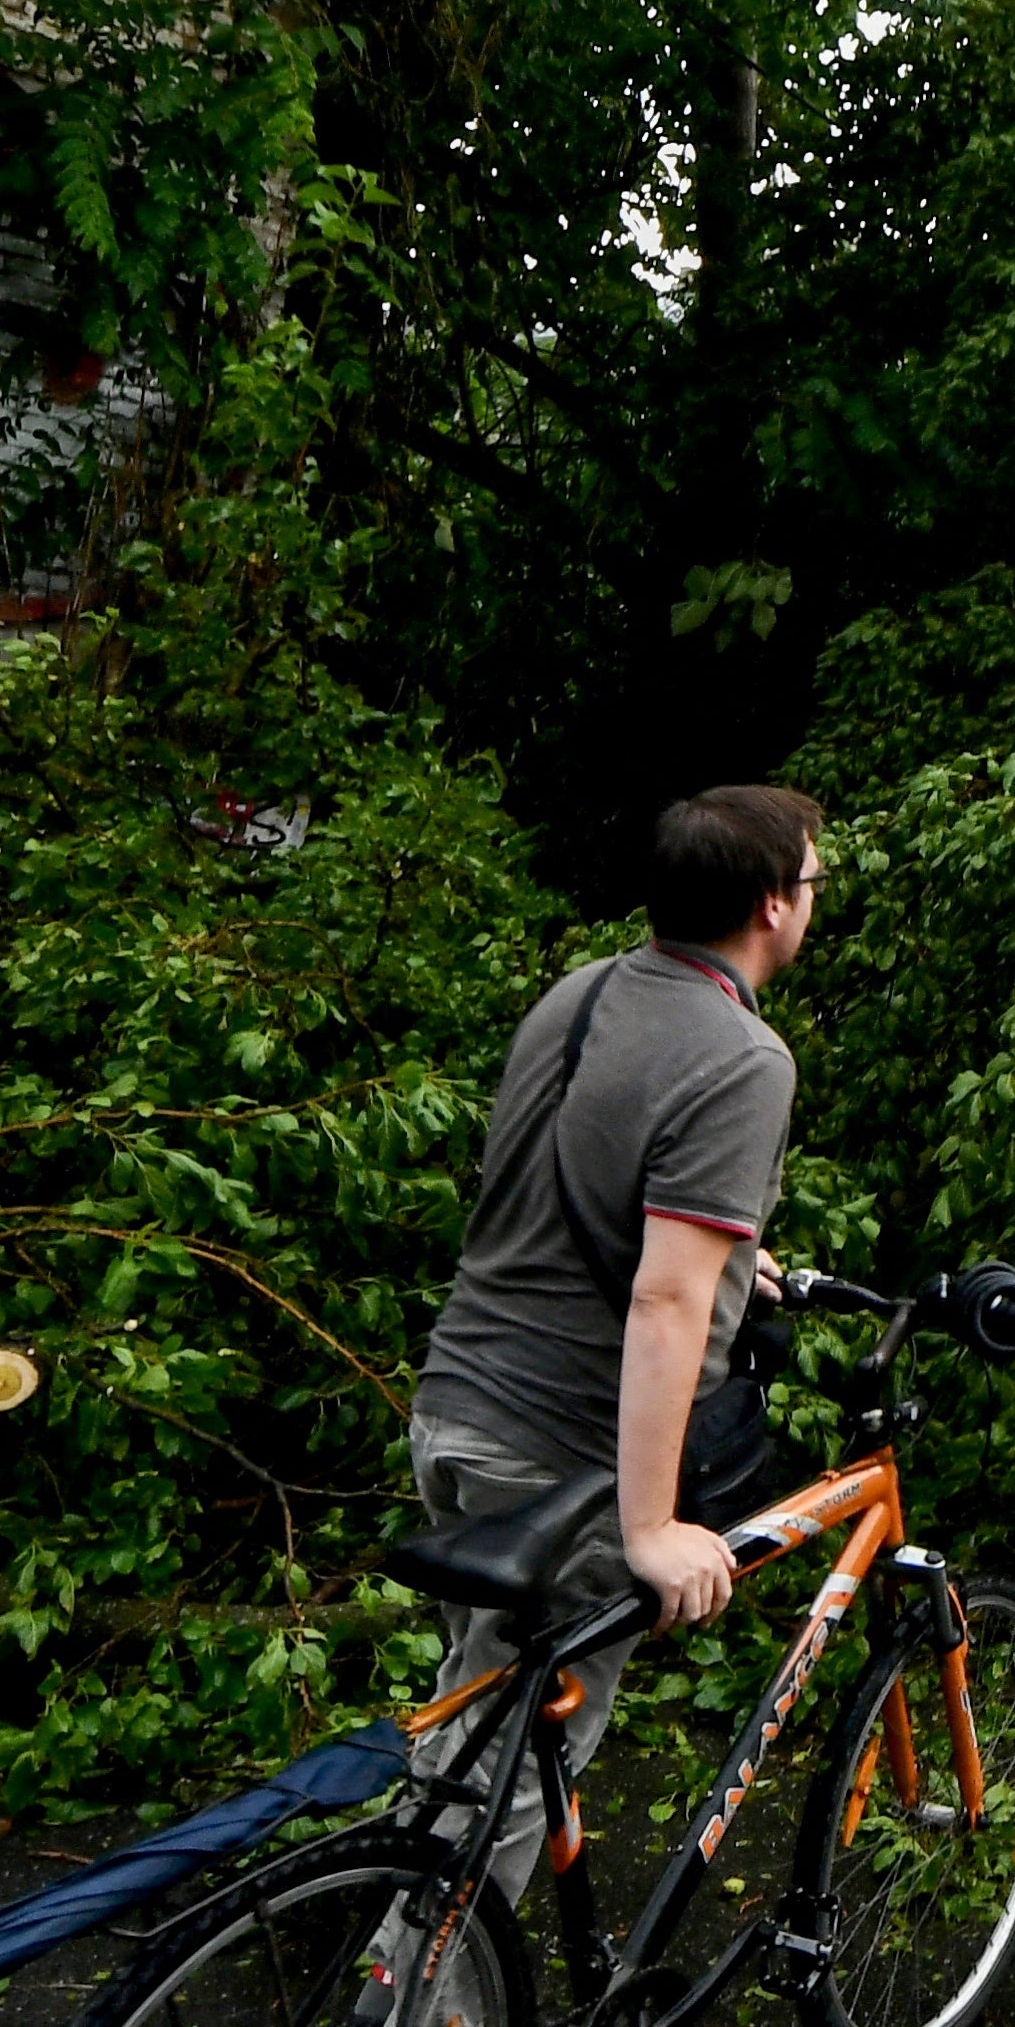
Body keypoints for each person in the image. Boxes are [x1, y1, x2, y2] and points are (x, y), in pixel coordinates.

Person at [399, 782, 819, 1902]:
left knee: (479, 1714)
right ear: (773, 904)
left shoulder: (582, 993)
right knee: (516, 1775)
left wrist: (735, 1255)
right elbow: (664, 1305)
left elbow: (567, 1181)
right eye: (813, 881)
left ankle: (378, 1914)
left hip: (453, 1407)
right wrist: (650, 1525)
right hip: (558, 1454)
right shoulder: (742, 1056)